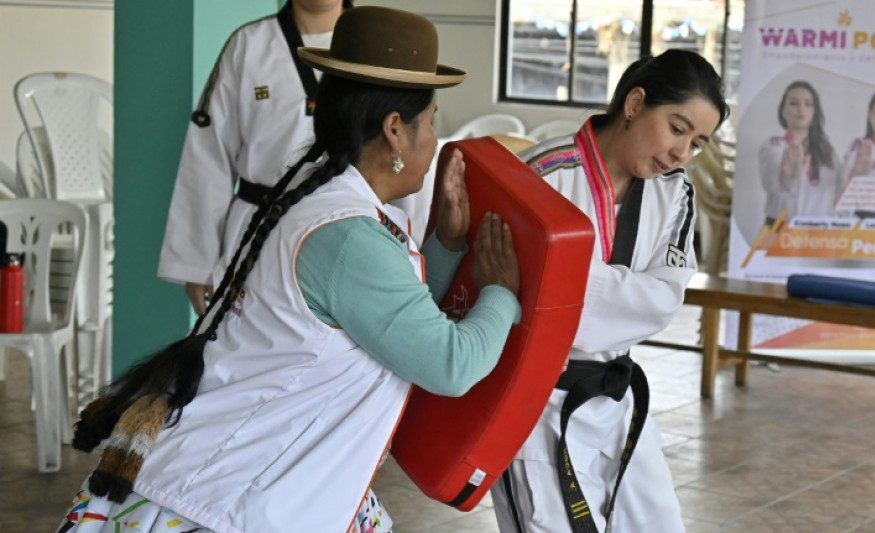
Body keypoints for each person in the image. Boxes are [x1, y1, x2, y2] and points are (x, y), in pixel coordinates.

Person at [59, 7, 521, 533]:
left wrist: (447, 244)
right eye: (432, 120)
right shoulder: (348, 235)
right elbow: (448, 364)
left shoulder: (319, 193)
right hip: (233, 494)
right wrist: (501, 293)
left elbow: (385, 322)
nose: (434, 138)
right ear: (395, 130)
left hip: (238, 470)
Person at [490, 49, 727, 532]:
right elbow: (501, 293)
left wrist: (560, 279)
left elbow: (664, 302)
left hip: (615, 396)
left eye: (698, 142)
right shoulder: (540, 175)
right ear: (636, 103)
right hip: (536, 402)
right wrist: (617, 293)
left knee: (658, 522)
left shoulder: (674, 192)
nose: (683, 153)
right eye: (677, 128)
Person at [158, 0, 353, 314]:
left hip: (347, 233)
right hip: (256, 231)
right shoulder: (248, 45)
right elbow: (208, 156)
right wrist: (196, 264)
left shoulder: (374, 46)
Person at [758, 80, 840, 224]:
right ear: (783, 110)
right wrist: (788, 177)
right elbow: (771, 183)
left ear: (814, 112)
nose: (801, 108)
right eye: (794, 103)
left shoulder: (828, 152)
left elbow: (838, 192)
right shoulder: (773, 146)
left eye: (808, 104)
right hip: (781, 233)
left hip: (820, 235)